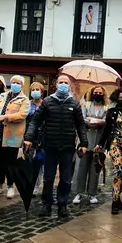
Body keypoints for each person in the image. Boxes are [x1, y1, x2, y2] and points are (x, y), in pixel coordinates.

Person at [24, 74, 86, 217]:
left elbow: (80, 125)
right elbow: (35, 121)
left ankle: (62, 205)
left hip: (67, 147)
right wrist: (28, 137)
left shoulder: (74, 104)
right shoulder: (47, 102)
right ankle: (46, 205)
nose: (63, 84)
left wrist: (83, 142)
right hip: (50, 145)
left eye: (66, 82)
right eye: (61, 82)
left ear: (69, 86)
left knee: (65, 178)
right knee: (48, 177)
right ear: (56, 85)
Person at [0, 75, 30, 199]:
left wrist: (4, 117)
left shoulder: (24, 99)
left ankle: (10, 186)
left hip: (12, 135)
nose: (15, 84)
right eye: (13, 82)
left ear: (22, 85)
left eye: (18, 83)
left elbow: (22, 114)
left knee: (11, 162)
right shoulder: (2, 96)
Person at [73, 86, 107, 205]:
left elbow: (106, 121)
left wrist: (92, 120)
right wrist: (98, 121)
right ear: (92, 93)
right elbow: (82, 120)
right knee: (81, 168)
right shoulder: (85, 104)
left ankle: (92, 194)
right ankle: (79, 193)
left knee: (95, 169)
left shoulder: (106, 107)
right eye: (95, 92)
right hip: (84, 141)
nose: (97, 94)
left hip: (99, 142)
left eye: (100, 92)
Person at [27, 82, 47, 195]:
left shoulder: (46, 104)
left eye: (37, 89)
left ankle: (36, 185)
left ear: (42, 91)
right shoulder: (27, 104)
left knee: (40, 161)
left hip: (42, 137)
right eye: (33, 89)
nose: (35, 91)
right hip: (29, 136)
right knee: (29, 161)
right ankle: (29, 183)